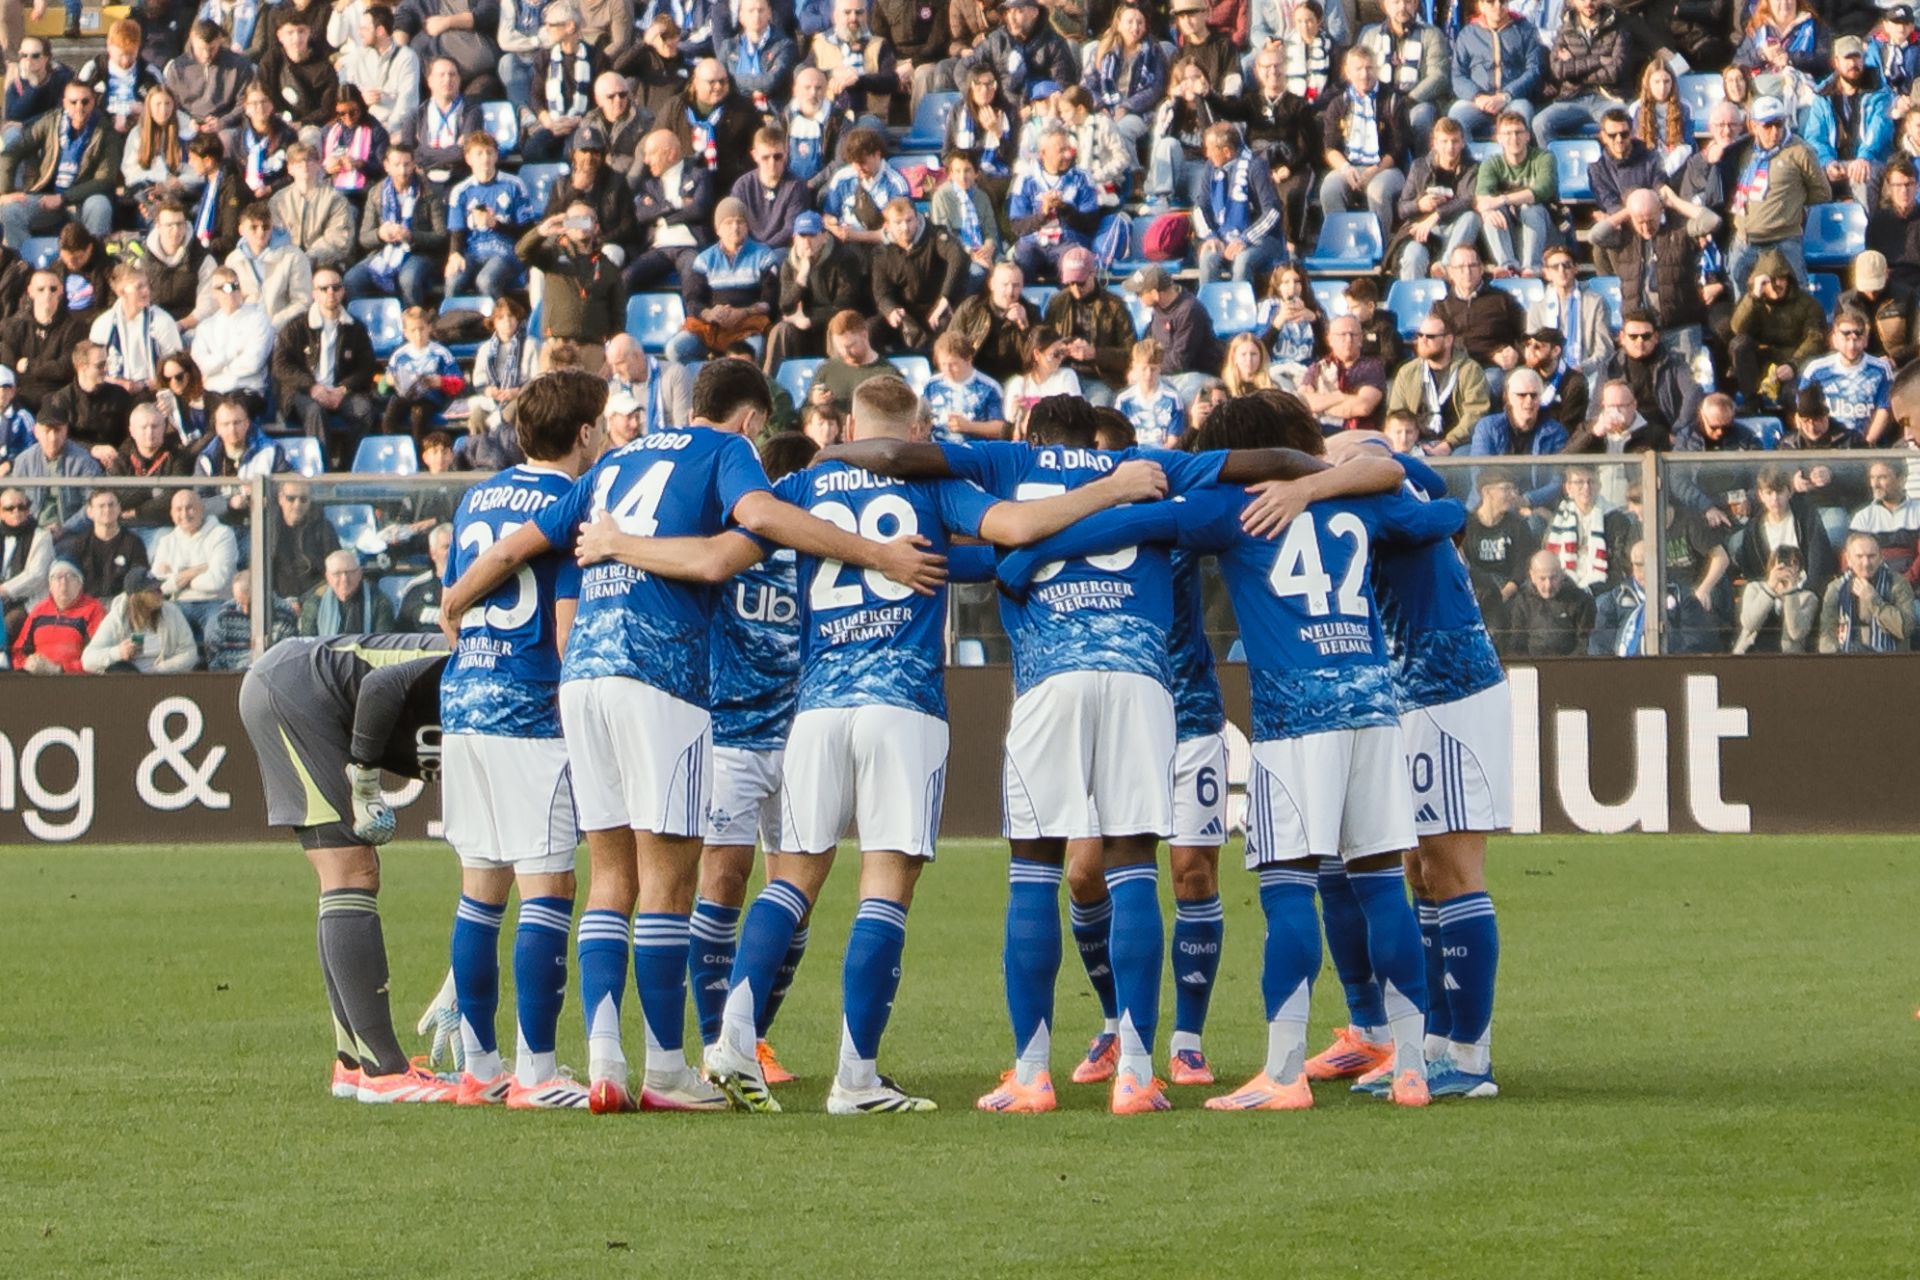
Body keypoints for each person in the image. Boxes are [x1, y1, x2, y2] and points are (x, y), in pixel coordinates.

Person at [594, 377, 1159, 1114]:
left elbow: (726, 551)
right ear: (917, 428)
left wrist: (618, 544)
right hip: (903, 704)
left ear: (852, 421)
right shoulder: (933, 481)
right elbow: (1016, 529)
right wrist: (1111, 491)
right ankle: (855, 1079)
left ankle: (733, 1036)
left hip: (818, 705)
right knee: (884, 886)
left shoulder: (801, 482)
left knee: (790, 882)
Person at [436, 360, 945, 1114]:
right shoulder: (727, 451)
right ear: (749, 421)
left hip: (582, 676)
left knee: (610, 876)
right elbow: (752, 528)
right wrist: (878, 553)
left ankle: (604, 1059)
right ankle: (666, 1068)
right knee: (668, 880)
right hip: (661, 675)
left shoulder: (616, 462)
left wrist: (453, 598)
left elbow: (514, 548)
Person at [983, 396, 1450, 1111]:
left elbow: (1136, 522)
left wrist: (1033, 553)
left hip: (1298, 716)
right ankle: (1412, 1067)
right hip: (1375, 708)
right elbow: (1442, 511)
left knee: (1289, 885)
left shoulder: (1235, 508)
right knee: (1382, 881)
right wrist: (1356, 469)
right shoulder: (1367, 505)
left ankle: (1285, 1073)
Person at [237, 630, 458, 1102]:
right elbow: (379, 688)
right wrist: (365, 781)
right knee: (351, 869)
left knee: (350, 872)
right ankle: (383, 1071)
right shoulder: (486, 662)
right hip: (296, 687)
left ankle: (354, 1064)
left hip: (300, 690)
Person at [274, 265, 380, 467]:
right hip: (303, 393)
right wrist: (311, 387)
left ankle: (350, 468)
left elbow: (367, 367)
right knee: (315, 411)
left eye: (336, 287)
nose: (330, 292)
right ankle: (322, 473)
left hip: (340, 392)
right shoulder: (296, 326)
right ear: (314, 293)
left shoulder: (355, 328)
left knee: (364, 410)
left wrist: (344, 389)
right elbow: (281, 366)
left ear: (343, 291)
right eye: (324, 288)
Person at [1726, 96, 1830, 293]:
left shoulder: (1800, 151)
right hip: (1745, 241)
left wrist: (1791, 203)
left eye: (1779, 124)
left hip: (1784, 241)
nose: (1775, 132)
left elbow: (1822, 192)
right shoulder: (1744, 151)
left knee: (1798, 298)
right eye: (1768, 126)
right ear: (1754, 126)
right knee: (1740, 300)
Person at [0, 79, 119, 250]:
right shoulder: (51, 122)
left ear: (93, 101)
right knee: (10, 210)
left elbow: (105, 179)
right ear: (64, 102)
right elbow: (11, 152)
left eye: (85, 101)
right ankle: (22, 265)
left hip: (83, 200)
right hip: (48, 196)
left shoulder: (105, 131)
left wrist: (64, 198)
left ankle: (94, 263)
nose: (79, 107)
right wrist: (5, 193)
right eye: (73, 102)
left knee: (100, 205)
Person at [1591, 187, 1722, 341]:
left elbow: (1713, 221)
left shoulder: (1680, 229)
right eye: (1639, 221)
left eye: (1651, 220)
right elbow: (1595, 235)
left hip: (1679, 325)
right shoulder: (1624, 237)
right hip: (1639, 330)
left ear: (1661, 211)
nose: (1646, 228)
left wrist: (1676, 203)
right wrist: (1628, 211)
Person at [668, 197, 781, 366]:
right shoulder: (704, 259)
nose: (735, 228)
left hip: (747, 329)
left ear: (747, 226)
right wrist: (710, 314)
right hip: (711, 328)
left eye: (740, 222)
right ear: (717, 228)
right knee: (675, 349)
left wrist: (743, 313)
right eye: (728, 223)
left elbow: (769, 302)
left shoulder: (764, 256)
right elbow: (693, 300)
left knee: (753, 351)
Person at [515, 202, 626, 372]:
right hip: (557, 345)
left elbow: (618, 318)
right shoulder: (552, 256)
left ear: (596, 227)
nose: (580, 225)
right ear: (566, 226)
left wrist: (611, 354)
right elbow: (522, 251)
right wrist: (541, 232)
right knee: (552, 396)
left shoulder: (608, 267)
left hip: (593, 349)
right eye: (575, 220)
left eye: (586, 220)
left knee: (592, 397)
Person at [1318, 48, 1407, 241]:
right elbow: (1330, 147)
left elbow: (1397, 148)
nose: (1364, 74)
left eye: (1369, 68)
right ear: (1347, 72)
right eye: (1358, 69)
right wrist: (1346, 168)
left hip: (1385, 168)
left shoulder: (1392, 100)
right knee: (1329, 188)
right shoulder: (1338, 104)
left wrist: (1373, 171)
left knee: (1377, 191)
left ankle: (1380, 248)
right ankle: (1341, 244)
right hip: (1350, 165)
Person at [346, 143, 447, 310]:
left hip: (419, 253)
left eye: (407, 164)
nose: (403, 170)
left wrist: (411, 236)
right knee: (352, 279)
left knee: (408, 278)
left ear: (414, 164)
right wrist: (380, 234)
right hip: (384, 252)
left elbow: (441, 236)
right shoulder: (376, 193)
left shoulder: (430, 191)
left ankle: (414, 324)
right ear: (386, 166)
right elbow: (364, 237)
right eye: (397, 165)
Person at [1800, 37, 1895, 213]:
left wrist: (1864, 157)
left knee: (1863, 176)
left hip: (1871, 160)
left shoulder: (1879, 92)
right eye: (1847, 58)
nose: (1853, 63)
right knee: (1808, 176)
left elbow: (1880, 129)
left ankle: (1866, 236)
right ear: (1836, 61)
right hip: (1835, 161)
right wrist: (1827, 161)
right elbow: (1814, 136)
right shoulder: (1823, 96)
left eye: (1857, 57)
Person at [868, 198, 970, 354]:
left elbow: (958, 256)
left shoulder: (934, 236)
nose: (905, 228)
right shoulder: (882, 254)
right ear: (887, 226)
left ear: (917, 218)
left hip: (936, 310)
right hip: (904, 316)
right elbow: (881, 293)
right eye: (898, 223)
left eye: (909, 220)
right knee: (871, 328)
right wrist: (890, 310)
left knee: (950, 325)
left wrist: (946, 298)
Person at [1729, 249, 1828, 408]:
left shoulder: (1809, 304)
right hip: (1760, 365)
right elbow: (1737, 329)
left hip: (1793, 363)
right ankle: (1752, 405)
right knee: (1739, 344)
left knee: (1793, 396)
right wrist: (1754, 297)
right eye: (1770, 280)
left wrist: (1793, 365)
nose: (1777, 284)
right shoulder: (1752, 302)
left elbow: (1815, 339)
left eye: (1782, 278)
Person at [1534, 0, 1638, 146]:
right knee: (1540, 124)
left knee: (1623, 123)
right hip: (1572, 99)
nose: (1588, 3)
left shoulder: (1618, 28)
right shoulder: (1565, 30)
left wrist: (1574, 63)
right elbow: (1558, 70)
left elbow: (1615, 71)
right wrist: (1600, 60)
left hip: (1608, 98)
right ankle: (1551, 166)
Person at [1006, 124, 1101, 284]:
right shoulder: (1025, 179)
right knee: (1018, 268)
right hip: (1033, 243)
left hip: (1068, 242)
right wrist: (1042, 213)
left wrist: (1064, 209)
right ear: (1043, 154)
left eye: (1067, 149)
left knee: (1074, 265)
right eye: (1060, 151)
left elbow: (1091, 224)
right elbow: (1017, 226)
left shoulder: (1082, 177)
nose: (1067, 155)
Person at [1392, 117, 1481, 283]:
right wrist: (1419, 204)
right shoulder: (1419, 166)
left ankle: (1446, 266)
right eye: (1444, 141)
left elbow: (1467, 199)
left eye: (1455, 141)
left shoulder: (1472, 167)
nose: (1450, 147)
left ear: (1463, 142)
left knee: (1472, 218)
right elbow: (1402, 209)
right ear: (1435, 143)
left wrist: (1436, 215)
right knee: (1413, 256)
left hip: (1456, 229)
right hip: (1424, 231)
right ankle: (1413, 302)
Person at [1387, 315, 1492, 454]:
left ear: (1448, 340)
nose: (1422, 341)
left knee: (1463, 457)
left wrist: (1448, 443)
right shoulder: (1407, 372)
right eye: (1419, 335)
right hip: (1416, 442)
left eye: (1430, 337)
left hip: (1458, 444)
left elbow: (1475, 414)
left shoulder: (1470, 371)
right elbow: (1396, 414)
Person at [627, 128, 716, 290]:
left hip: (690, 247)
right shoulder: (649, 184)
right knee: (627, 277)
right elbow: (641, 214)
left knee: (692, 274)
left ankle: (694, 314)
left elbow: (699, 209)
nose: (646, 160)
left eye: (651, 154)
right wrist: (676, 204)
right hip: (658, 250)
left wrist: (662, 215)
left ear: (671, 154)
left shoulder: (699, 175)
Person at [443, 132, 529, 300]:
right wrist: (454, 254)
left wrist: (496, 224)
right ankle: (451, 324)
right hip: (473, 252)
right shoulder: (461, 191)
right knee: (453, 280)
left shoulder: (514, 185)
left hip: (506, 252)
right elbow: (456, 231)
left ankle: (500, 323)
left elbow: (526, 230)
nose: (485, 159)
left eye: (489, 153)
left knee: (486, 280)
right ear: (468, 158)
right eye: (479, 153)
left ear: (496, 156)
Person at [1473, 110, 1557, 275]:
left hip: (1545, 223)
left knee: (1530, 209)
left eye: (1518, 132)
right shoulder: (1491, 163)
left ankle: (1530, 268)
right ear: (1499, 138)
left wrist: (1503, 199)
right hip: (1508, 224)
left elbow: (1543, 189)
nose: (1514, 138)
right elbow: (1483, 198)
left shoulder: (1544, 157)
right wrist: (1487, 210)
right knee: (1491, 214)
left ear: (1527, 135)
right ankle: (1507, 266)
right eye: (1508, 133)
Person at [1124, 265, 1222, 404]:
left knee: (1176, 399)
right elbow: (1149, 344)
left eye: (1139, 293)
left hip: (1195, 375)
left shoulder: (1189, 311)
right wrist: (1139, 368)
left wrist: (1148, 369)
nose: (1138, 297)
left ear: (1155, 294)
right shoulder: (1158, 308)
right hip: (1165, 373)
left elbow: (1179, 362)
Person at [90, 262, 185, 402]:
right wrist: (120, 383)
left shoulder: (162, 321)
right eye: (139, 287)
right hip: (112, 396)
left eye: (147, 285)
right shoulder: (102, 324)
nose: (146, 291)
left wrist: (150, 383)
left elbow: (177, 366)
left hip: (154, 395)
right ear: (121, 292)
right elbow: (94, 369)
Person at [1354, 0, 1449, 140]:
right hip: (1379, 101)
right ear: (1385, 5)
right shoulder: (1370, 36)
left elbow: (1438, 76)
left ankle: (1421, 161)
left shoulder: (1432, 34)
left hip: (1417, 102)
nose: (1402, 7)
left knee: (1422, 117)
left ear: (1416, 4)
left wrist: (1408, 100)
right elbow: (1359, 70)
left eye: (1408, 2)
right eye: (1396, 2)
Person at [1800, 309, 1897, 444]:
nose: (1852, 346)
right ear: (1834, 339)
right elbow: (1802, 413)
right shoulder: (1816, 370)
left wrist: (1866, 445)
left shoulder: (1880, 369)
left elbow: (1884, 409)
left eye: (1857, 339)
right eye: (1846, 339)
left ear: (1865, 341)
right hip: (1828, 445)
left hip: (1868, 446)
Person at [151, 486, 236, 637]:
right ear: (171, 514)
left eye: (190, 508)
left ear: (201, 509)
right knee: (162, 630)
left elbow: (217, 582)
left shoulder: (222, 534)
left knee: (215, 632)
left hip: (216, 602)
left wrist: (178, 578)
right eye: (178, 509)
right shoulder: (166, 541)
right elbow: (159, 587)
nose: (184, 514)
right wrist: (199, 570)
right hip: (178, 604)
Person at [1449, 0, 1544, 136]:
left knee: (1523, 113)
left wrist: (1506, 95)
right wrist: (1477, 97)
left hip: (1513, 100)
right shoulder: (1467, 34)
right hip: (1479, 102)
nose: (1498, 6)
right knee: (1457, 116)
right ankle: (1468, 157)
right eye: (1491, 2)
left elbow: (1534, 70)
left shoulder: (1525, 30)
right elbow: (1457, 75)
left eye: (1502, 2)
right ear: (1481, 6)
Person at [190, 266, 274, 415]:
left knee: (233, 416)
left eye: (235, 286)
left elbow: (253, 363)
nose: (231, 292)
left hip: (247, 391)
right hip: (215, 393)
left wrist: (220, 369)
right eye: (224, 288)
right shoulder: (205, 327)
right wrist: (232, 354)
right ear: (214, 293)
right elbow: (202, 366)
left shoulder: (258, 319)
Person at [83, 566, 199, 672]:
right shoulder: (116, 619)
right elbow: (88, 660)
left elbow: (190, 653)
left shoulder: (172, 612)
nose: (160, 593)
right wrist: (118, 652)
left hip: (164, 680)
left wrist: (159, 670)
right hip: (127, 683)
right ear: (135, 597)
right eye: (152, 590)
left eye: (159, 588)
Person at [0, 269, 85, 413]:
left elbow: (64, 369)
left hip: (58, 398)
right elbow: (9, 367)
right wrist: (47, 367)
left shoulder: (75, 327)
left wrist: (28, 365)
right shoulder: (13, 326)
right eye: (41, 289)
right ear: (30, 291)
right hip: (20, 397)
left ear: (61, 291)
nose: (47, 295)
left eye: (53, 289)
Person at [1819, 532, 1914, 652]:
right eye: (1859, 556)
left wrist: (1874, 600)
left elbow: (1905, 629)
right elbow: (1827, 632)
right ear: (1848, 559)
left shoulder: (1897, 584)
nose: (1866, 563)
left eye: (1871, 556)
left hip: (1889, 660)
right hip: (1846, 660)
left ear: (1881, 557)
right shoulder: (1836, 588)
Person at [949, 262, 1042, 382]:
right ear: (991, 284)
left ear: (1022, 286)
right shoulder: (972, 307)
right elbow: (950, 344)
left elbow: (1040, 357)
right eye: (1005, 285)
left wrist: (1025, 326)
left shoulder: (1031, 312)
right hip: (974, 378)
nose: (1010, 292)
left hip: (1014, 382)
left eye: (1016, 285)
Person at [271, 144, 357, 272]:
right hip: (287, 264)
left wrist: (308, 259)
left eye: (310, 160)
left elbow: (338, 239)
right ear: (290, 169)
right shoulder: (278, 200)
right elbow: (275, 237)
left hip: (325, 264)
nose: (304, 165)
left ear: (318, 164)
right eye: (298, 162)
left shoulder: (335, 199)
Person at [1297, 314, 1387, 435]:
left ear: (1361, 339)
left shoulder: (1372, 367)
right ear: (1330, 340)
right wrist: (1340, 397)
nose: (1349, 339)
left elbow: (1363, 407)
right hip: (1320, 434)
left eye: (1353, 335)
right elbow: (1303, 402)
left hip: (1358, 437)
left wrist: (1321, 406)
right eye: (1342, 335)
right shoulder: (1317, 368)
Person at [381, 305, 461, 440]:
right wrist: (388, 380)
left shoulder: (441, 353)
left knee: (418, 415)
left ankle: (418, 453)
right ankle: (391, 447)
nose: (418, 334)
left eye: (421, 329)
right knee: (390, 413)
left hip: (429, 397)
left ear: (429, 328)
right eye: (413, 330)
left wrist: (441, 382)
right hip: (405, 395)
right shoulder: (399, 355)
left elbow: (458, 383)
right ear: (405, 332)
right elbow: (382, 387)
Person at [10, 558, 103, 674]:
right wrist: (26, 664)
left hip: (75, 680)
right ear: (50, 585)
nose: (63, 582)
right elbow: (18, 651)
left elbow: (98, 655)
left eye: (70, 576)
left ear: (80, 584)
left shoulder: (93, 609)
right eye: (57, 577)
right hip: (36, 677)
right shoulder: (39, 610)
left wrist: (59, 669)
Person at [339, 5, 422, 134]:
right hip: (361, 126)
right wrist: (360, 100)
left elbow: (407, 105)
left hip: (394, 130)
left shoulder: (407, 57)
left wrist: (385, 132)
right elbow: (345, 93)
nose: (360, 33)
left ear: (380, 31)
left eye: (364, 29)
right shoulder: (358, 56)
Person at [57, 487, 148, 602]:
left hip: (121, 606)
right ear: (89, 512)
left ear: (119, 508)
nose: (107, 509)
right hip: (88, 607)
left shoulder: (134, 543)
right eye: (101, 506)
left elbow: (139, 580)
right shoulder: (80, 543)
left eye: (111, 505)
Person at [12, 416, 105, 527]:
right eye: (47, 431)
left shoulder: (84, 461)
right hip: (31, 531)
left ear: (66, 431)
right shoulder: (23, 461)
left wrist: (65, 529)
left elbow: (93, 503)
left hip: (73, 533)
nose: (52, 438)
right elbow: (14, 501)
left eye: (57, 430)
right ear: (36, 432)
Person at [730, 126, 810, 253]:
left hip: (781, 250)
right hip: (746, 249)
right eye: (765, 157)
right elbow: (735, 224)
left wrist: (762, 250)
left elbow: (790, 229)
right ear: (755, 155)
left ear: (786, 154)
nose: (772, 163)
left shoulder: (796, 186)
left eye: (777, 156)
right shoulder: (742, 186)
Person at [1542, 463, 1621, 591]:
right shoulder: (1560, 517)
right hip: (1563, 585)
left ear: (1599, 486)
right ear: (1568, 488)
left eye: (1591, 482)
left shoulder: (1615, 519)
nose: (1586, 487)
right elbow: (1547, 556)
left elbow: (1618, 567)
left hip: (1602, 587)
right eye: (1579, 482)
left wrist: (1592, 590)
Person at [1506, 548, 1596, 657]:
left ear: (1562, 574)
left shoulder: (1580, 600)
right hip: (1532, 664)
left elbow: (1585, 641)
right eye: (1542, 579)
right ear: (1532, 576)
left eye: (1553, 578)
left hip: (1570, 665)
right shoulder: (1522, 601)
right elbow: (1517, 641)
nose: (1548, 585)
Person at [203, 568, 297, 670]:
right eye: (240, 603)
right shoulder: (225, 612)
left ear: (264, 595)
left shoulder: (284, 613)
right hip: (230, 676)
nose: (246, 611)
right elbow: (214, 652)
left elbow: (286, 655)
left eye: (251, 604)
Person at [922, 331, 1007, 442]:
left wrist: (969, 426)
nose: (947, 369)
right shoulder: (932, 385)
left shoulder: (989, 387)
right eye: (943, 364)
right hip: (937, 450)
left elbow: (1000, 428)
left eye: (953, 364)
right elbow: (921, 418)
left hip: (975, 452)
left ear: (968, 360)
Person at [805, 310, 896, 411]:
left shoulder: (888, 374)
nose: (845, 352)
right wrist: (814, 399)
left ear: (864, 335)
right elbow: (804, 414)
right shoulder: (827, 369)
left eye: (850, 346)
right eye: (840, 347)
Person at [1849, 458, 1920, 584]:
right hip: (1873, 587)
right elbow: (1852, 558)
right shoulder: (1863, 517)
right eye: (1872, 478)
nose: (1875, 484)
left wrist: (1902, 585)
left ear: (1901, 480)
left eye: (1882, 477)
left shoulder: (1917, 511)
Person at [301, 549, 398, 635]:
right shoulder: (315, 604)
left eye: (350, 572)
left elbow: (383, 645)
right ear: (328, 577)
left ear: (360, 573)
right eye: (337, 574)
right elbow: (308, 645)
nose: (344, 579)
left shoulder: (379, 602)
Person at [0, 483, 53, 637]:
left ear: (28, 510)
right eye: (10, 508)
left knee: (8, 624)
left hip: (24, 600)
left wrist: (4, 590)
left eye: (21, 507)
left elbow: (36, 575)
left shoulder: (41, 535)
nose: (16, 512)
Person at [1113, 337, 1187, 447]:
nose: (1148, 374)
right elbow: (1119, 438)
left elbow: (1173, 439)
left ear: (1160, 368)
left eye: (1153, 369)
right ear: (1134, 366)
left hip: (1163, 456)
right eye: (1144, 369)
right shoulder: (1123, 400)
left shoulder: (1173, 399)